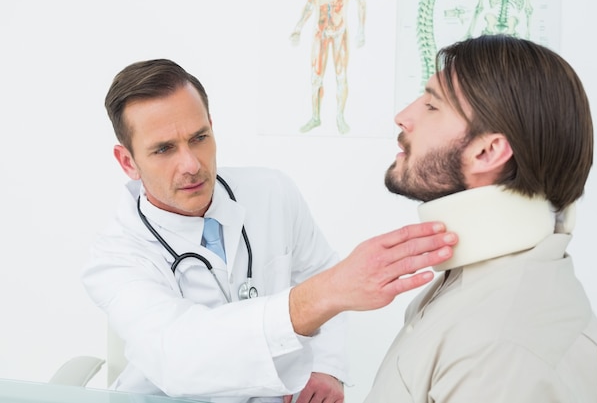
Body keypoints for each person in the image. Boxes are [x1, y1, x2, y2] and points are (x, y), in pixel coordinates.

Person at [81, 58, 458, 403]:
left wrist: (326, 368)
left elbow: (319, 269)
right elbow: (177, 355)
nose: (191, 165)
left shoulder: (271, 192)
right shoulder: (114, 257)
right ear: (127, 161)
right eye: (163, 149)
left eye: (199, 138)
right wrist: (322, 295)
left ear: (212, 127)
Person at [363, 34, 597, 402]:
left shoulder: (503, 343)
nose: (404, 116)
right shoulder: (476, 289)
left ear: (488, 151)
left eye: (432, 106)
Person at [289, 0, 366, 135]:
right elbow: (310, 5)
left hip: (339, 32)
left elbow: (361, 1)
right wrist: (298, 28)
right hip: (321, 32)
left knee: (341, 75)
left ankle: (340, 117)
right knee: (316, 76)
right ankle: (315, 117)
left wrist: (361, 30)